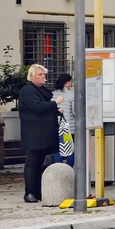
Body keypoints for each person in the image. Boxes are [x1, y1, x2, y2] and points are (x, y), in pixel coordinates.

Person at [18, 64, 64, 202]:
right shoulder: (28, 90)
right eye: (40, 75)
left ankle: (37, 191)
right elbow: (37, 107)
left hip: (43, 134)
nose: (43, 77)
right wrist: (55, 103)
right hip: (33, 134)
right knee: (32, 162)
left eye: (44, 75)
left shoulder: (41, 91)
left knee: (39, 163)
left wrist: (55, 111)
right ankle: (29, 192)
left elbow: (43, 108)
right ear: (31, 76)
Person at [52, 74, 75, 167]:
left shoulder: (52, 94)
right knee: (70, 149)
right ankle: (68, 169)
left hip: (55, 127)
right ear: (67, 83)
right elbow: (75, 112)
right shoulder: (71, 95)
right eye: (70, 82)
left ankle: (57, 169)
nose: (71, 84)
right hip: (68, 129)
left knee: (58, 149)